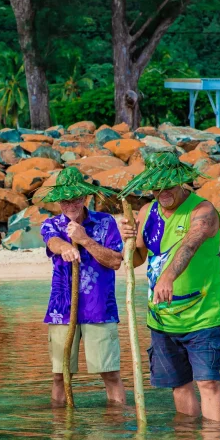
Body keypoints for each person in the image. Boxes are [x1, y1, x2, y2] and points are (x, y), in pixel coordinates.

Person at [118, 151, 220, 422]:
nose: (162, 191)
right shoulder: (146, 211)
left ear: (181, 182)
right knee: (179, 385)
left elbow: (190, 244)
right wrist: (127, 240)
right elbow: (137, 259)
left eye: (168, 184)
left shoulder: (203, 211)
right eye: (156, 185)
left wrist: (168, 277)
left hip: (202, 318)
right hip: (161, 320)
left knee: (208, 384)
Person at [39, 167, 126, 407]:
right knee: (59, 375)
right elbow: (53, 242)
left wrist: (84, 240)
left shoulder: (105, 222)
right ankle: (61, 429)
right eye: (65, 201)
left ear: (85, 198)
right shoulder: (51, 224)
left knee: (110, 373)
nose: (70, 205)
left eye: (75, 199)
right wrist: (66, 247)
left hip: (100, 309)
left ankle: (114, 428)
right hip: (62, 310)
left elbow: (116, 261)